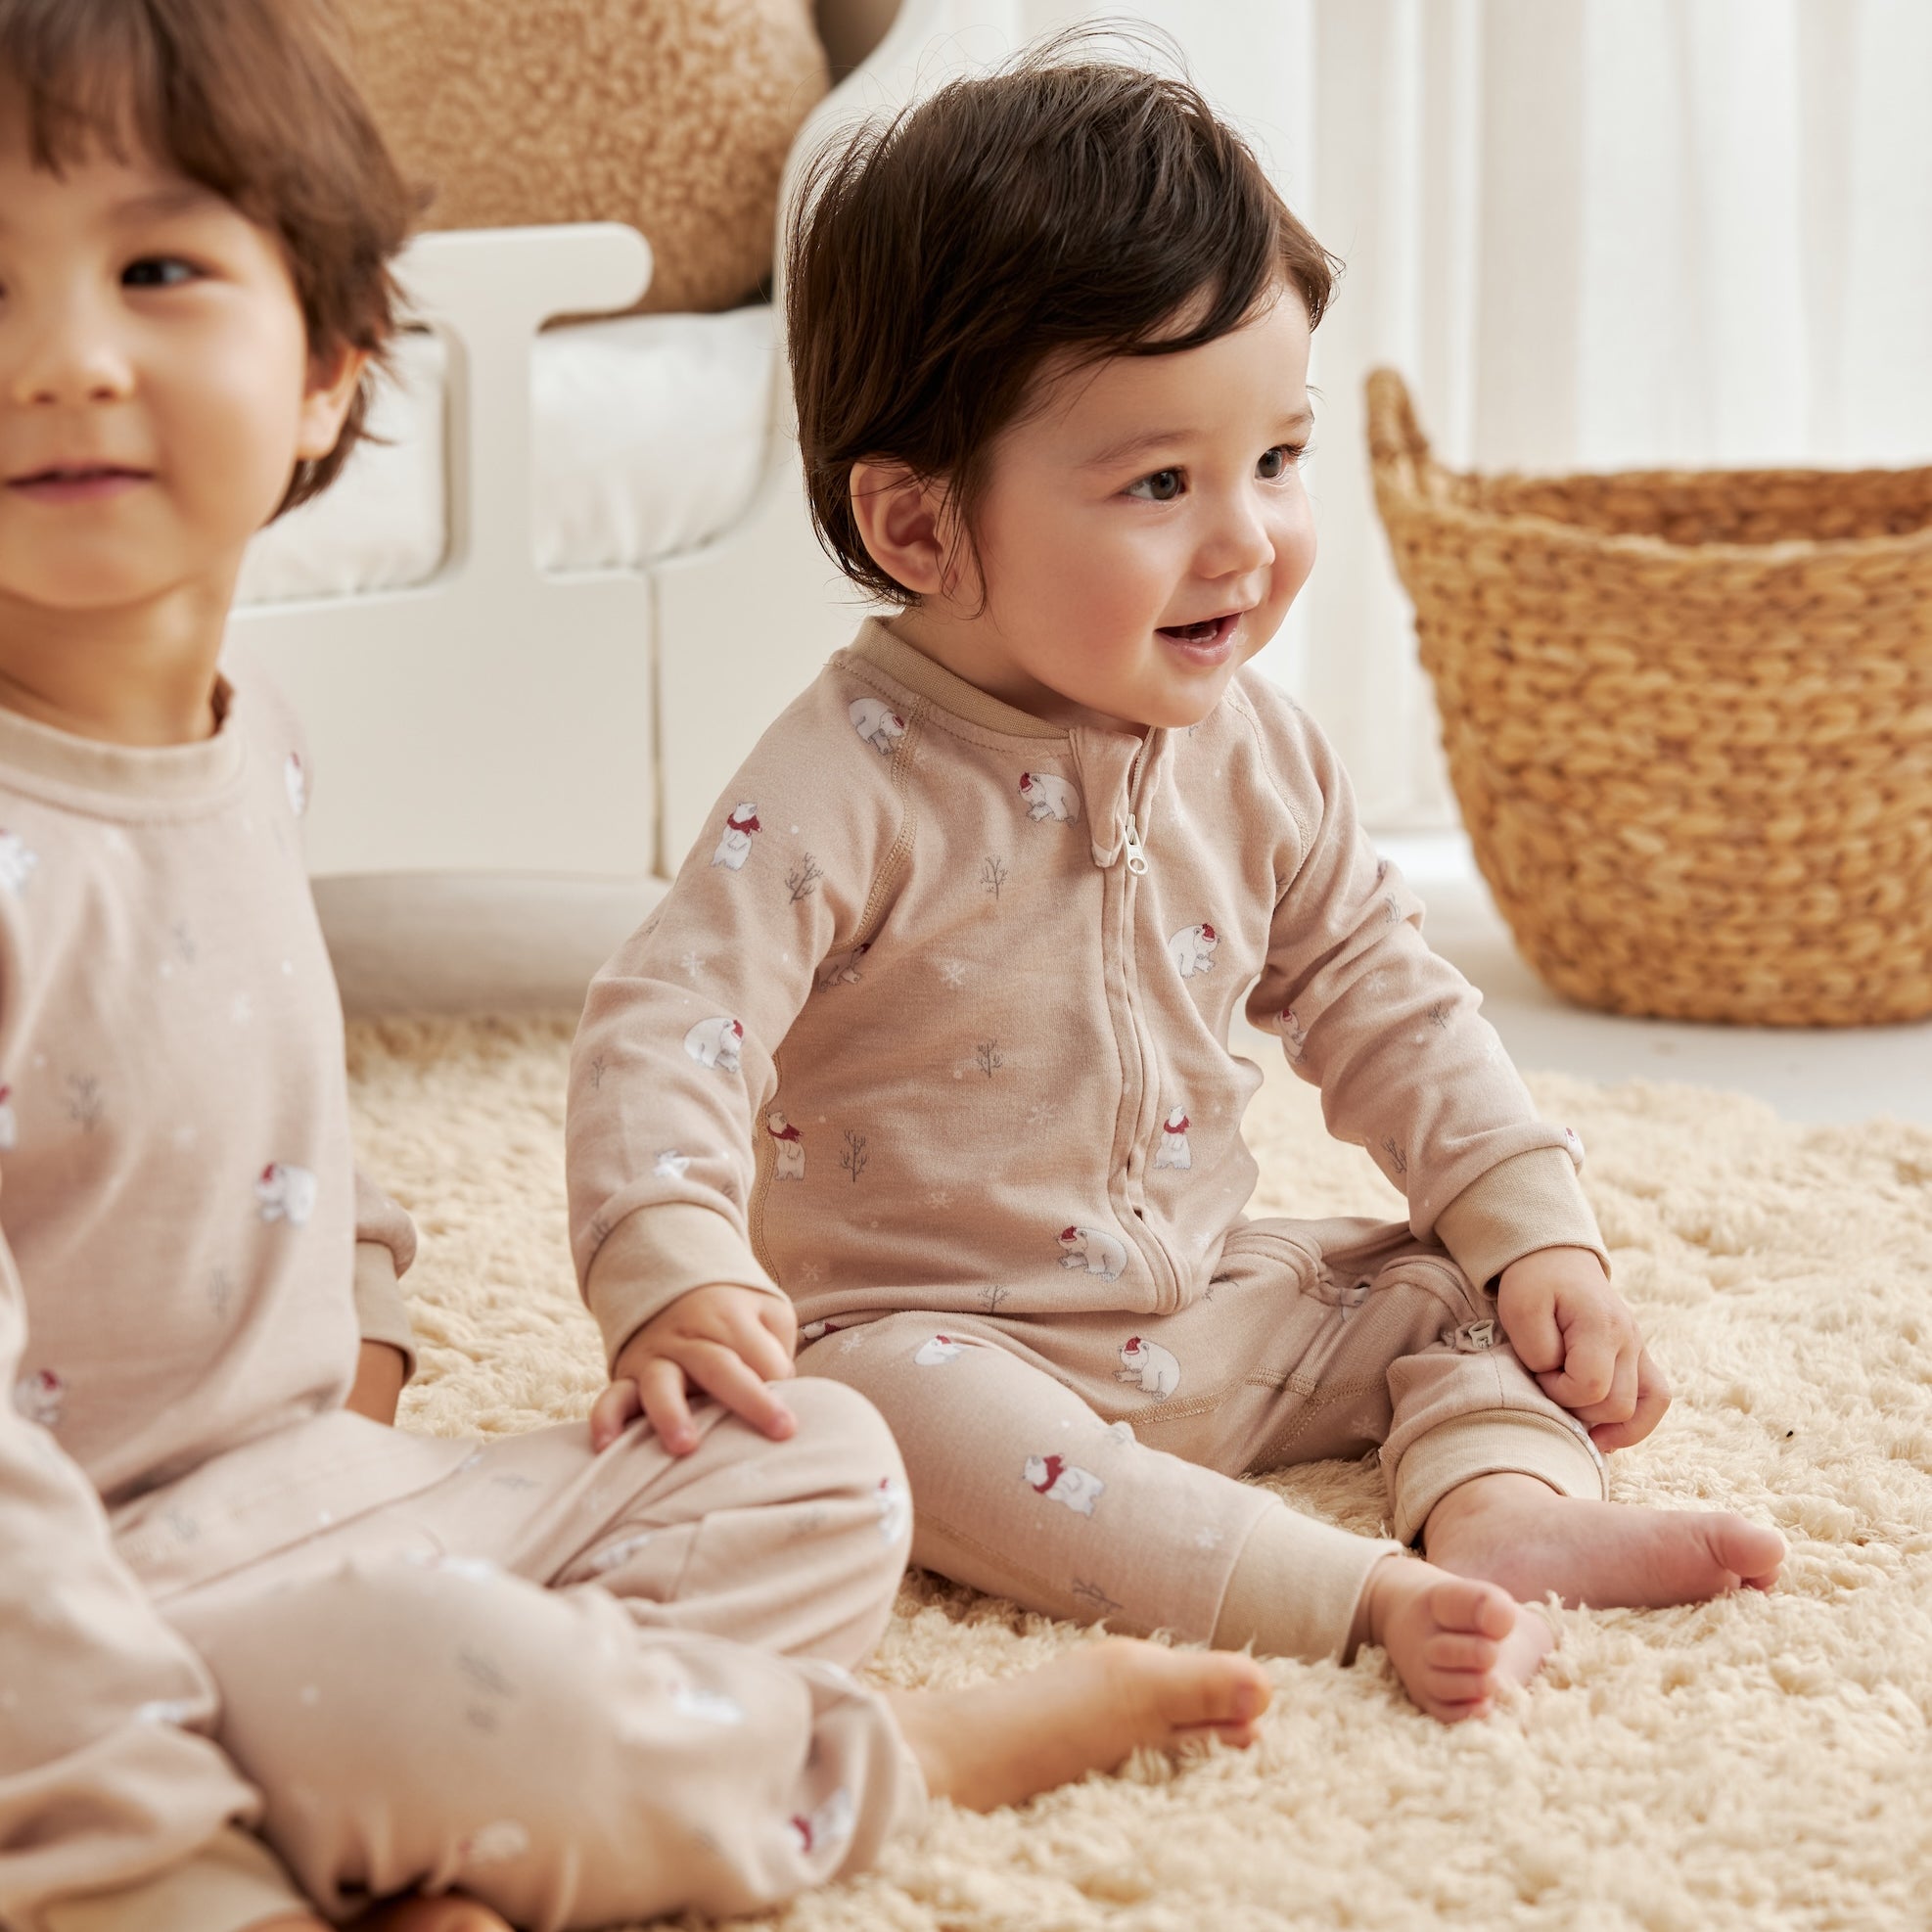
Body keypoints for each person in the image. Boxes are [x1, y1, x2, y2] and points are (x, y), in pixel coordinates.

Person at [0, 9, 1276, 1931]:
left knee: (819, 1466)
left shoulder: (245, 730)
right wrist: (146, 1866)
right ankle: (856, 1771)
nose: (63, 359)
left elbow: (268, 1100)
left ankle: (428, 1784)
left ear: (333, 366)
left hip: (270, 1512)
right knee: (408, 1668)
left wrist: (355, 1390)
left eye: (158, 270)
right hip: (53, 1609)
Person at [567, 43, 1787, 1729]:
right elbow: (668, 1018)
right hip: (941, 1341)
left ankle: (1504, 1512)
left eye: (1272, 461)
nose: (1244, 541)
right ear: (919, 530)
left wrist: (1535, 1232)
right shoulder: (844, 780)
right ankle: (1342, 1589)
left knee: (1452, 1283)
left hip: (1202, 1309)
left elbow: (1380, 989)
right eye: (1160, 483)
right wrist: (678, 1262)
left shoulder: (1254, 752)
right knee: (858, 1416)